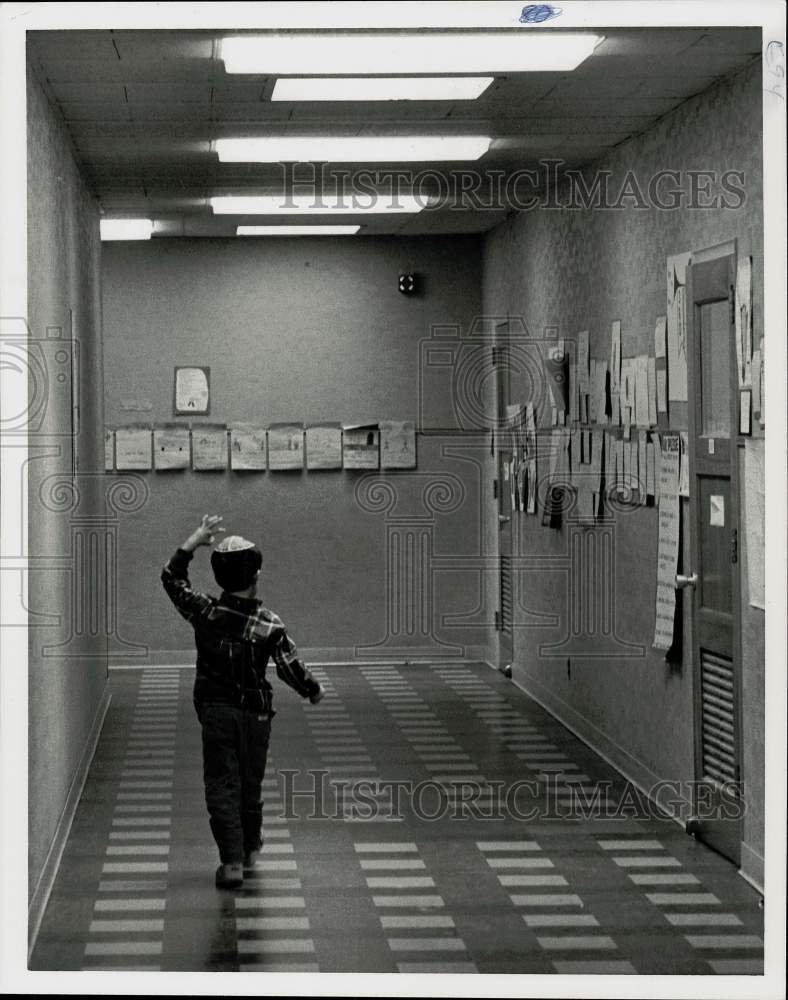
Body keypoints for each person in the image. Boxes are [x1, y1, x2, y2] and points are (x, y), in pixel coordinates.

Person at [161, 514, 324, 889]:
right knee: (250, 784)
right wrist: (312, 690)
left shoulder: (205, 611)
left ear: (219, 578)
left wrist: (194, 541)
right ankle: (250, 847)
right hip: (256, 716)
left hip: (215, 712)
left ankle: (231, 862)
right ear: (256, 576)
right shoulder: (269, 623)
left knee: (221, 783)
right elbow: (290, 667)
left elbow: (171, 579)